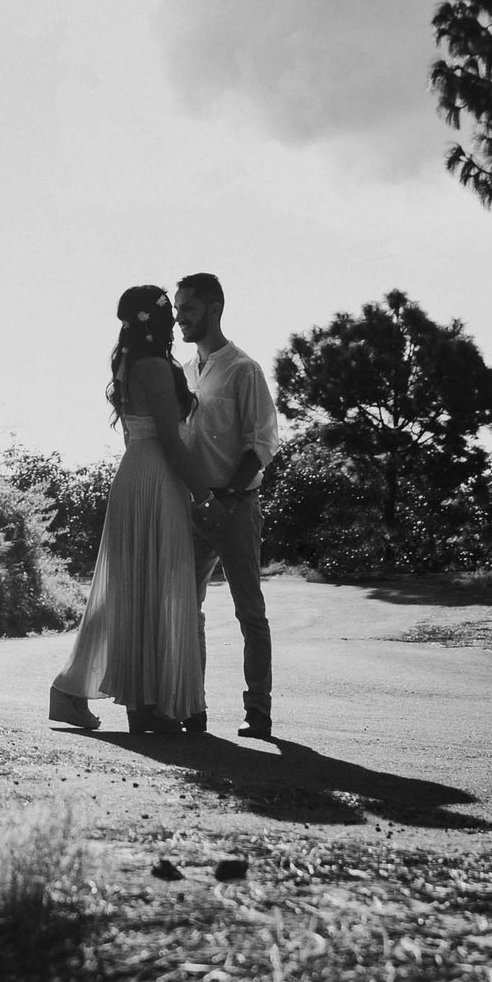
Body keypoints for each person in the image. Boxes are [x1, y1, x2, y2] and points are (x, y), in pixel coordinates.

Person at [47, 286, 210, 734]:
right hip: (156, 476)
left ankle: (141, 702)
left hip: (136, 470)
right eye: (168, 315)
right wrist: (205, 494)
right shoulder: (156, 366)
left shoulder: (126, 362)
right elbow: (171, 441)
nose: (175, 322)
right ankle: (145, 701)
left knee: (137, 588)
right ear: (155, 322)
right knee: (156, 586)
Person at [175, 271, 281, 738]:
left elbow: (262, 444)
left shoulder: (244, 369)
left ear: (214, 310)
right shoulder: (185, 371)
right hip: (194, 509)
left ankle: (257, 709)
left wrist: (227, 496)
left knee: (249, 611)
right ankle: (193, 708)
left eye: (188, 310)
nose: (179, 318)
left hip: (237, 508)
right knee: (186, 608)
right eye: (178, 309)